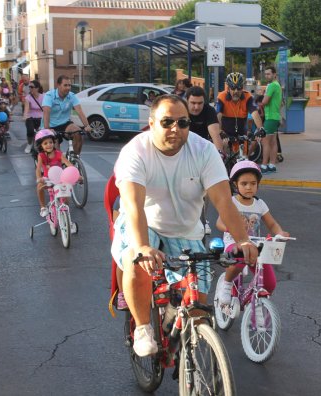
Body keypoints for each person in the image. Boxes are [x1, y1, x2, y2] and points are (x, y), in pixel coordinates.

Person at [110, 94, 258, 357]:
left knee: (199, 308)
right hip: (145, 223)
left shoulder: (203, 150)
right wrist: (142, 245)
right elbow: (132, 205)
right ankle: (143, 327)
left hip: (186, 228)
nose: (175, 129)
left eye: (183, 122)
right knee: (136, 260)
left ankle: (179, 331)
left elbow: (224, 200)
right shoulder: (135, 151)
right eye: (167, 122)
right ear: (152, 123)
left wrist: (243, 240)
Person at [215, 160, 289, 305]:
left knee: (269, 283)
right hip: (234, 243)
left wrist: (280, 233)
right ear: (235, 184)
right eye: (244, 183)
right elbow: (219, 223)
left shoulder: (260, 204)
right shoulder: (231, 203)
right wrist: (230, 228)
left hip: (255, 246)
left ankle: (253, 304)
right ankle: (227, 283)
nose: (249, 187)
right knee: (241, 256)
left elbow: (272, 224)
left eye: (253, 183)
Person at [42, 75, 92, 156]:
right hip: (51, 125)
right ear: (58, 85)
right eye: (65, 85)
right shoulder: (49, 96)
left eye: (69, 85)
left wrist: (87, 125)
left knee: (78, 133)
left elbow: (79, 111)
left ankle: (75, 158)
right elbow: (46, 112)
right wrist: (48, 129)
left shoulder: (71, 96)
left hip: (65, 123)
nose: (68, 88)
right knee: (57, 153)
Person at [34, 129, 75, 217]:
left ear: (54, 143)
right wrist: (39, 178)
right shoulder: (41, 155)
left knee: (66, 197)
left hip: (60, 178)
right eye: (45, 143)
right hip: (47, 178)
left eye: (50, 142)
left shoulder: (59, 154)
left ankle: (66, 215)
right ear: (41, 146)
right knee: (39, 187)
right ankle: (43, 207)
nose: (49, 145)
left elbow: (69, 164)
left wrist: (75, 174)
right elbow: (38, 169)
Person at [216, 72, 264, 140]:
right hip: (225, 132)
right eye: (233, 88)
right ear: (228, 88)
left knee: (255, 141)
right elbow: (218, 116)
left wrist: (260, 128)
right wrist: (219, 131)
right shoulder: (221, 97)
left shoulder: (248, 97)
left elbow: (255, 114)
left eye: (239, 88)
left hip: (242, 132)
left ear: (242, 87)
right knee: (223, 145)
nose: (236, 91)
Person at [185, 86, 223, 152]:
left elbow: (215, 135)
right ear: (187, 101)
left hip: (202, 148)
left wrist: (220, 155)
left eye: (200, 103)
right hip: (183, 147)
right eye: (193, 103)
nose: (196, 107)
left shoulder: (209, 110)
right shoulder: (181, 110)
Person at [259, 66, 282, 173]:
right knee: (273, 142)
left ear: (274, 74)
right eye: (266, 74)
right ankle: (272, 165)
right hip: (275, 117)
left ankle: (264, 165)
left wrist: (259, 101)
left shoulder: (272, 85)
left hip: (270, 117)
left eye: (269, 74)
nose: (267, 76)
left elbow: (265, 101)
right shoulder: (277, 85)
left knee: (265, 141)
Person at [23, 80, 44, 154]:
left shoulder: (43, 96)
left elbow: (46, 108)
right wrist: (25, 116)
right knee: (30, 131)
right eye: (29, 87)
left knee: (45, 132)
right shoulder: (28, 98)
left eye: (32, 87)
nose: (30, 89)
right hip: (30, 117)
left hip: (41, 118)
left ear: (37, 88)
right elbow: (26, 109)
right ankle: (29, 144)